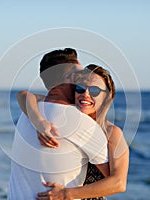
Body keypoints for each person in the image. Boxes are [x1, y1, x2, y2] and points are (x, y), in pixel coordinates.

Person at [8, 48, 110, 200]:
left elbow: (24, 95)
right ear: (71, 77)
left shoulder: (27, 114)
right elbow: (113, 180)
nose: (84, 79)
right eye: (80, 75)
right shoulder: (81, 123)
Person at [18, 64, 129, 200]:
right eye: (80, 88)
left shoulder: (112, 133)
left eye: (94, 91)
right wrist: (39, 122)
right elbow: (24, 95)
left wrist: (66, 194)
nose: (85, 94)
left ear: (106, 97)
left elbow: (119, 183)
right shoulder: (66, 117)